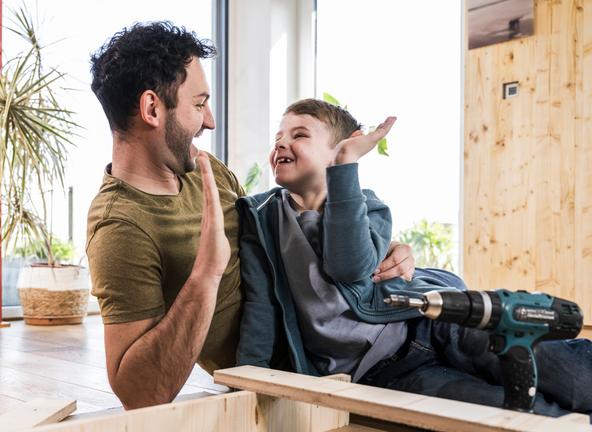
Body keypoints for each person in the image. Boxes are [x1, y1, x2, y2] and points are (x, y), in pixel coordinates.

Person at [85, 22, 416, 409]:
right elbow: (139, 395)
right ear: (152, 108)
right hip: (306, 379)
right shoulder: (120, 228)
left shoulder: (206, 170)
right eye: (198, 104)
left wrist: (385, 246)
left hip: (366, 334)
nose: (210, 120)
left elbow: (288, 232)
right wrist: (206, 275)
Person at [236, 98, 592, 417]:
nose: (281, 142)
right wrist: (244, 382)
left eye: (299, 135)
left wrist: (345, 167)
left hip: (431, 323)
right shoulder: (261, 216)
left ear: (339, 151)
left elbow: (348, 267)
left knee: (572, 376)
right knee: (517, 414)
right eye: (278, 136)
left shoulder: (369, 206)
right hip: (385, 373)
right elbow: (260, 304)